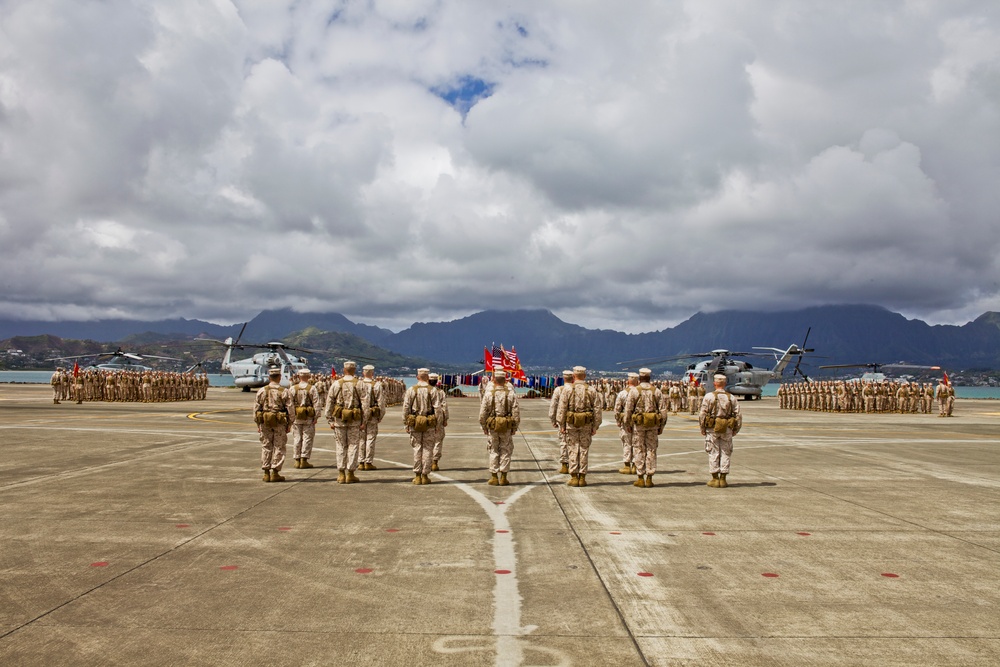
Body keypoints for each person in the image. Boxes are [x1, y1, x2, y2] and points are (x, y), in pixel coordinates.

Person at [556, 366, 603, 487]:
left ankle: (573, 476)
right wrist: (595, 426)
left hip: (571, 423)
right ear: (585, 376)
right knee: (584, 449)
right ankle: (582, 477)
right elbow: (597, 409)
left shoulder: (567, 390)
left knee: (572, 448)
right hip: (586, 424)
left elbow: (562, 408)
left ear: (573, 376)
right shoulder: (591, 390)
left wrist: (561, 424)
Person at [324, 361, 369, 484]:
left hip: (339, 420)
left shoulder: (336, 384)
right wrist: (364, 421)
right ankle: (350, 473)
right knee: (353, 446)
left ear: (344, 370)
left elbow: (329, 403)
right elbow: (365, 404)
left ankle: (341, 474)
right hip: (355, 420)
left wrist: (329, 420)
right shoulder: (360, 384)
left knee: (340, 446)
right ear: (354, 370)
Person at [624, 368, 668, 488]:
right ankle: (649, 477)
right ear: (649, 378)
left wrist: (627, 424)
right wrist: (661, 426)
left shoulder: (634, 391)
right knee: (651, 450)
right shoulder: (657, 391)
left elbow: (628, 409)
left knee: (639, 449)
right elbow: (663, 411)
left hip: (639, 426)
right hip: (653, 426)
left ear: (640, 378)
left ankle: (640, 477)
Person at [699, 374, 742, 488]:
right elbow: (738, 415)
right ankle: (723, 479)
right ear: (725, 384)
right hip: (727, 428)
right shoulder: (731, 397)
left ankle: (714, 478)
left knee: (713, 452)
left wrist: (702, 428)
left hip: (712, 428)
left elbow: (702, 414)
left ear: (714, 383)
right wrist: (736, 429)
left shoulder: (709, 397)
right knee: (725, 452)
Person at [479, 369, 520, 486]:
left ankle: (494, 477)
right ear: (505, 380)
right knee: (506, 450)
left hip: (493, 426)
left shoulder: (488, 395)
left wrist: (484, 426)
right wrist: (514, 427)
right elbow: (516, 413)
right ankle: (504, 477)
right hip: (506, 426)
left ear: (494, 380)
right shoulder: (511, 394)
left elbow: (483, 413)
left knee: (493, 450)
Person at [254, 366, 294, 482]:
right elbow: (290, 409)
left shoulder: (262, 391)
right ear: (280, 377)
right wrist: (290, 424)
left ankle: (266, 473)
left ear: (269, 377)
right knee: (279, 446)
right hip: (279, 422)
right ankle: (275, 472)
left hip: (265, 421)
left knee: (266, 446)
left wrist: (258, 424)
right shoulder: (284, 391)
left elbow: (256, 409)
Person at [402, 368, 438, 485]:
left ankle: (417, 475)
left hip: (415, 422)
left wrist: (406, 423)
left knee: (417, 448)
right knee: (428, 448)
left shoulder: (411, 390)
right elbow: (437, 409)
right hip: (429, 423)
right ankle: (425, 475)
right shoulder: (433, 391)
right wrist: (437, 424)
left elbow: (406, 408)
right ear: (427, 378)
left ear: (417, 377)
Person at [289, 368, 320, 469]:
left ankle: (297, 459)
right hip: (308, 417)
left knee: (297, 438)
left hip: (296, 417)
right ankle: (304, 459)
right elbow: (316, 403)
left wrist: (291, 417)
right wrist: (316, 416)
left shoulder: (293, 388)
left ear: (299, 376)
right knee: (307, 437)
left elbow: (290, 404)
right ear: (309, 376)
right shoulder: (312, 388)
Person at [358, 365, 385, 470]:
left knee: (361, 439)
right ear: (372, 373)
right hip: (372, 415)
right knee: (370, 438)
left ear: (363, 373)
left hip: (360, 415)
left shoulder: (358, 384)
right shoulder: (377, 385)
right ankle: (368, 462)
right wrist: (380, 415)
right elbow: (381, 402)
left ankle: (361, 461)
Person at [548, 370, 574, 474]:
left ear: (563, 379)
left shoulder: (559, 389)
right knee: (575, 443)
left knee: (564, 442)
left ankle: (564, 465)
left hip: (562, 420)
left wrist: (553, 419)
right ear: (572, 379)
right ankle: (574, 464)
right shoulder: (575, 389)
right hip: (574, 419)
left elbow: (553, 406)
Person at [614, 373, 639, 474]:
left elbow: (617, 409)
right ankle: (635, 466)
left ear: (628, 382)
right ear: (637, 382)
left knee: (627, 443)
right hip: (638, 422)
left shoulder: (622, 393)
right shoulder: (639, 393)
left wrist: (618, 421)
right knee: (637, 444)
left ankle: (627, 465)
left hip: (625, 422)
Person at [428, 373, 449, 471]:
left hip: (425, 420)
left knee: (426, 442)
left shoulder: (423, 391)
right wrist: (445, 419)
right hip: (438, 419)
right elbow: (444, 406)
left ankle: (426, 461)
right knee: (438, 441)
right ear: (436, 381)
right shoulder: (440, 392)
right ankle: (434, 462)